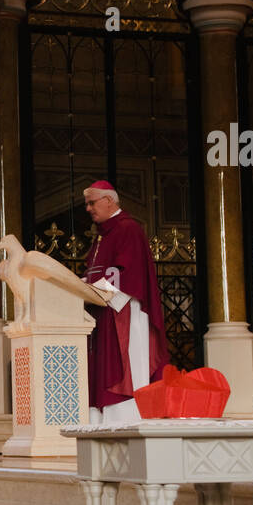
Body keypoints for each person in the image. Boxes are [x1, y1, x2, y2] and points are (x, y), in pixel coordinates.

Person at [80, 181, 169, 423]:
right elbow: (95, 272)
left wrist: (94, 290)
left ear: (109, 201)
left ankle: (127, 420)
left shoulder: (128, 229)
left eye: (92, 202)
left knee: (125, 363)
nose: (88, 208)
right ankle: (101, 420)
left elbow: (128, 271)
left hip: (123, 310)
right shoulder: (102, 236)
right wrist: (82, 286)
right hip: (101, 308)